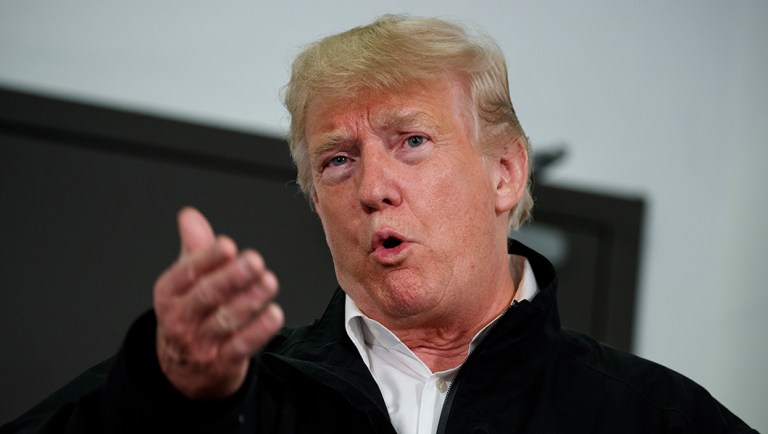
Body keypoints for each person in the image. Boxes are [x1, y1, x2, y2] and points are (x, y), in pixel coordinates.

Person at [2, 15, 757, 434]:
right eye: (336, 161)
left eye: (413, 142)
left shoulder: (652, 420)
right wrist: (165, 393)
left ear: (506, 172)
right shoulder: (224, 394)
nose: (372, 187)